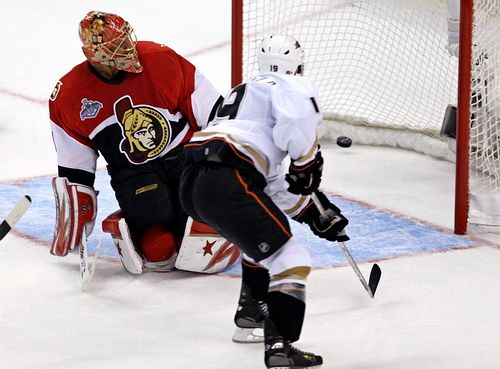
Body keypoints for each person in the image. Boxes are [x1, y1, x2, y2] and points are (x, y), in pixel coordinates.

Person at [179, 34, 349, 368]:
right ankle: (280, 348)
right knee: (290, 257)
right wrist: (306, 165)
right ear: (298, 64)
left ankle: (251, 316)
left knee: (261, 239)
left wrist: (314, 213)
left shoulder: (241, 94)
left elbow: (267, 181)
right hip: (229, 176)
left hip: (195, 180)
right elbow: (298, 124)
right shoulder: (292, 87)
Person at [48, 11, 225, 273]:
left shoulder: (161, 59)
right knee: (158, 249)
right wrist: (74, 212)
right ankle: (138, 227)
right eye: (118, 46)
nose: (129, 49)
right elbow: (75, 169)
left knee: (199, 229)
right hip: (133, 173)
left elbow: (215, 114)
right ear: (95, 54)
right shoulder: (70, 97)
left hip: (185, 158)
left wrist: (226, 166)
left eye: (126, 40)